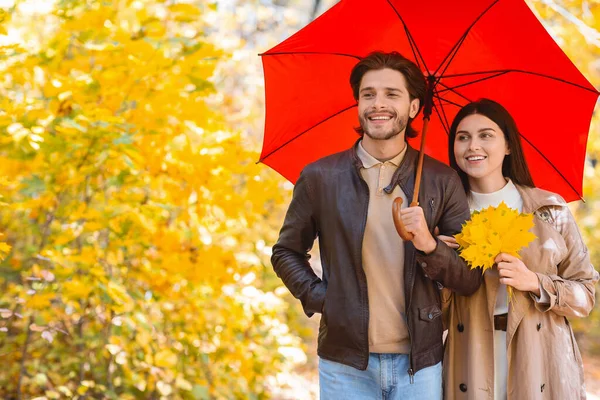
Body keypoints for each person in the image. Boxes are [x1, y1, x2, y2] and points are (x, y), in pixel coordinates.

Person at [270, 51, 482, 400]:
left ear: (414, 107)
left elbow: (469, 277)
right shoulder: (321, 177)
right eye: (368, 94)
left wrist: (429, 244)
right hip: (345, 365)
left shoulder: (442, 180)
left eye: (391, 94)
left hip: (421, 364)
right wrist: (324, 298)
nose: (377, 104)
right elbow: (286, 252)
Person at [439, 98, 599, 399]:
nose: (473, 145)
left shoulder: (548, 209)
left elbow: (586, 294)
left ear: (509, 145)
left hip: (539, 358)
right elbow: (434, 315)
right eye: (463, 137)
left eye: (485, 135)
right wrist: (437, 260)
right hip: (471, 357)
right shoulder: (445, 218)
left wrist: (536, 282)